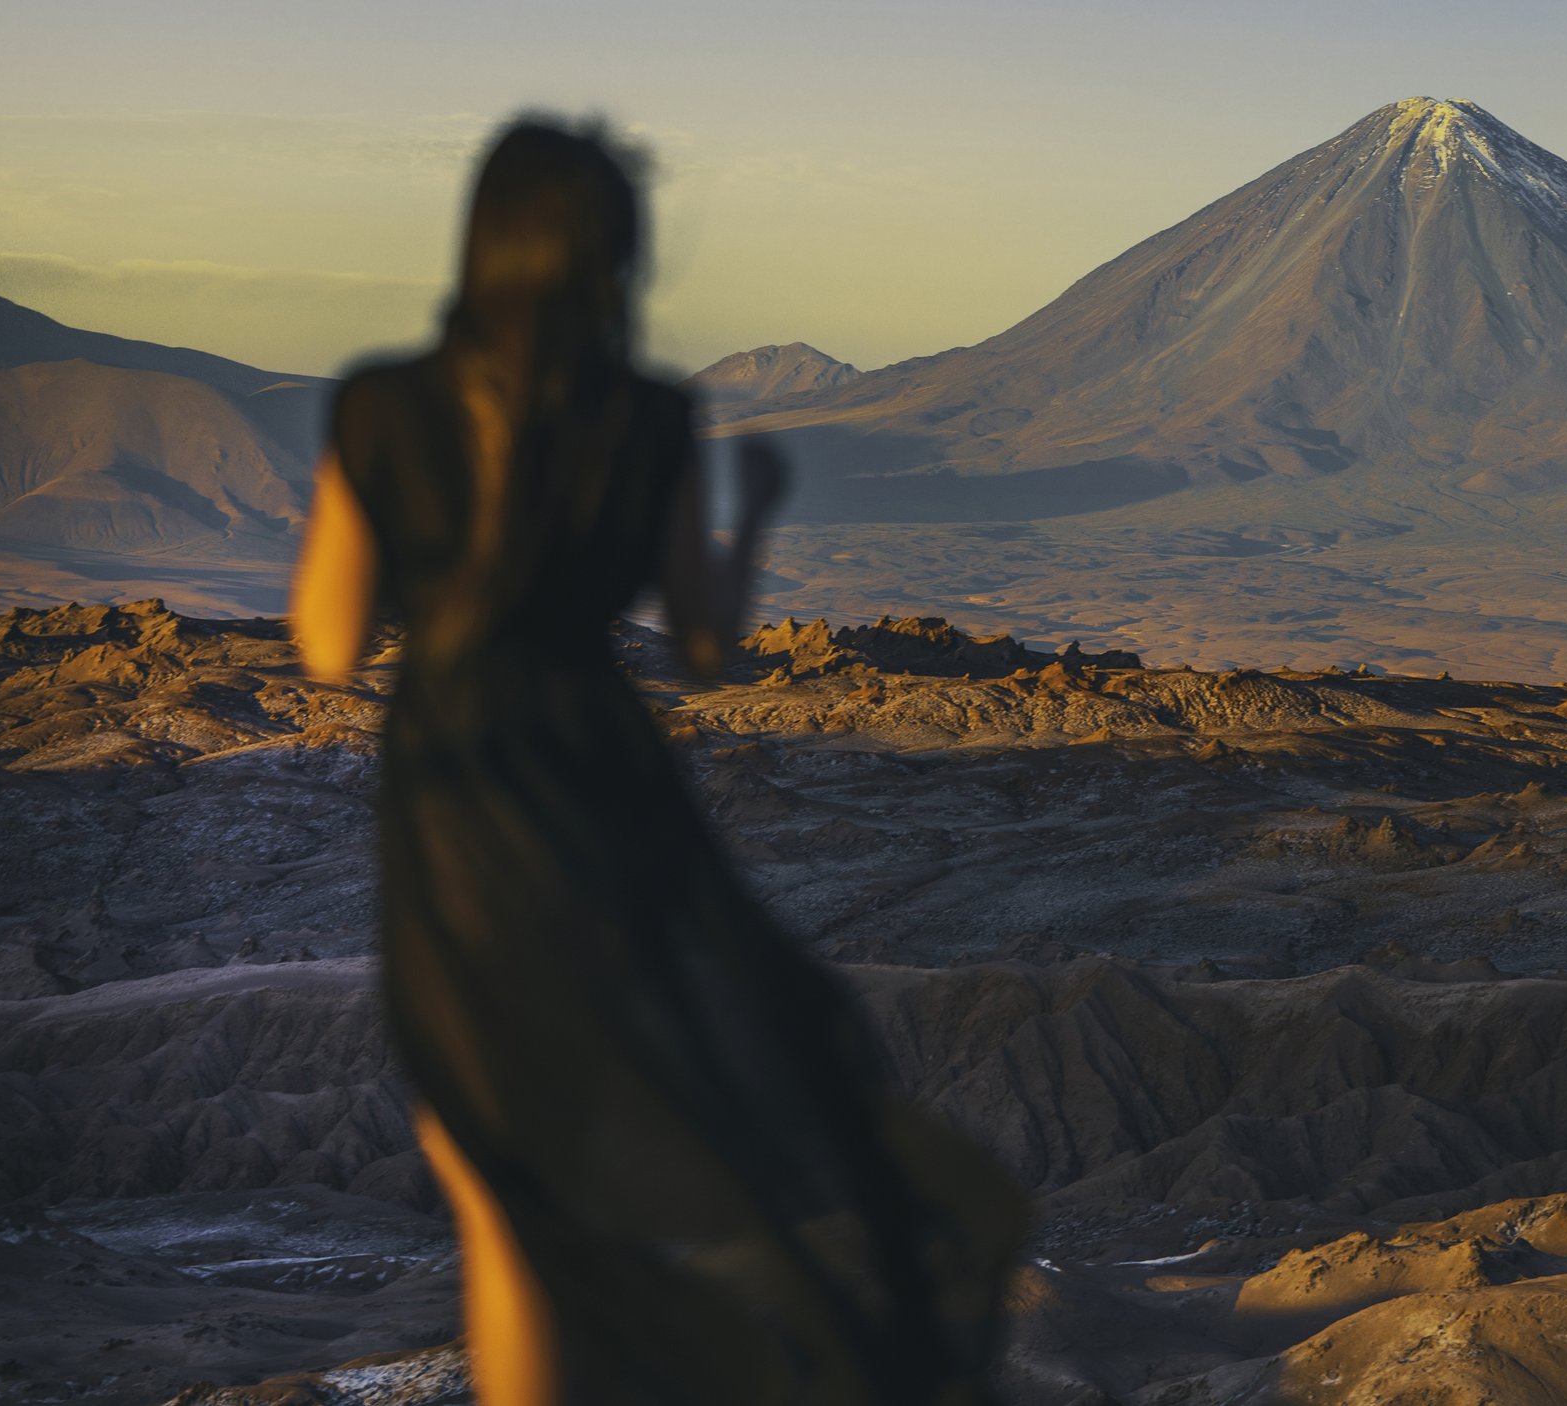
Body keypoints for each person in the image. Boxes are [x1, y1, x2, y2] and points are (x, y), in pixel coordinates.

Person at [289, 117, 1024, 1406]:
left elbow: (329, 644)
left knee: (495, 1171)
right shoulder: (651, 418)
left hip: (457, 799)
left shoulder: (381, 408)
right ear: (615, 259)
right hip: (604, 793)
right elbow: (699, 646)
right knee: (602, 1134)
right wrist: (757, 526)